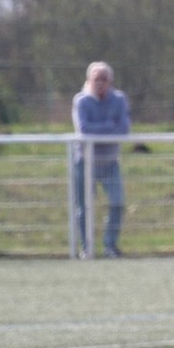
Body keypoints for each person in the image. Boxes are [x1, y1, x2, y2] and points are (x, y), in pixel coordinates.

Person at [71, 61, 131, 258]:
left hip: (110, 162)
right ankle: (86, 248)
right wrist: (109, 126)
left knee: (117, 202)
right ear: (88, 80)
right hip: (84, 161)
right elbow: (84, 129)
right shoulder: (81, 101)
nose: (100, 83)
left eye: (104, 79)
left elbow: (124, 128)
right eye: (96, 79)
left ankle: (110, 246)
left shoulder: (119, 100)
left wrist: (101, 129)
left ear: (110, 81)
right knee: (84, 207)